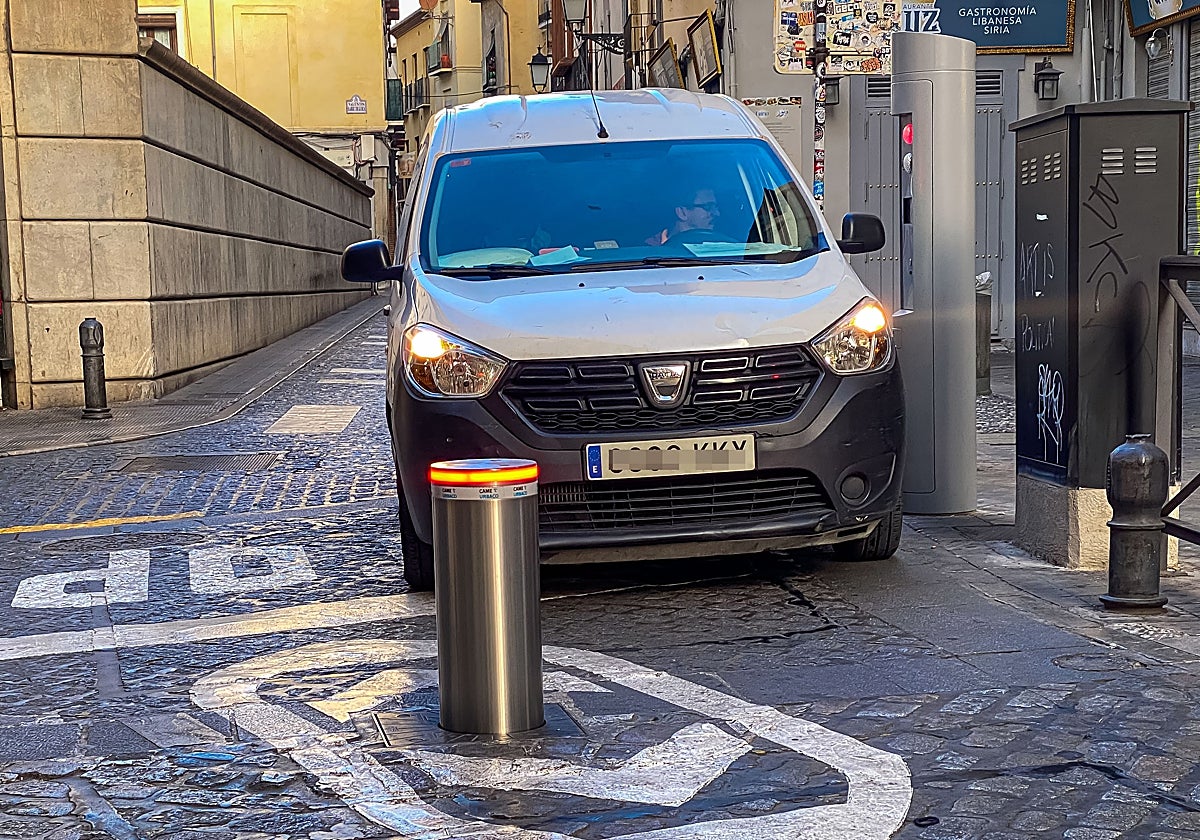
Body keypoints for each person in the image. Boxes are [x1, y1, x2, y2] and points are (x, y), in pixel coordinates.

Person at [646, 187, 721, 245]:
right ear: (681, 212)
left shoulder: (724, 251)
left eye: (716, 207)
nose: (717, 213)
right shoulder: (648, 253)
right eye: (708, 207)